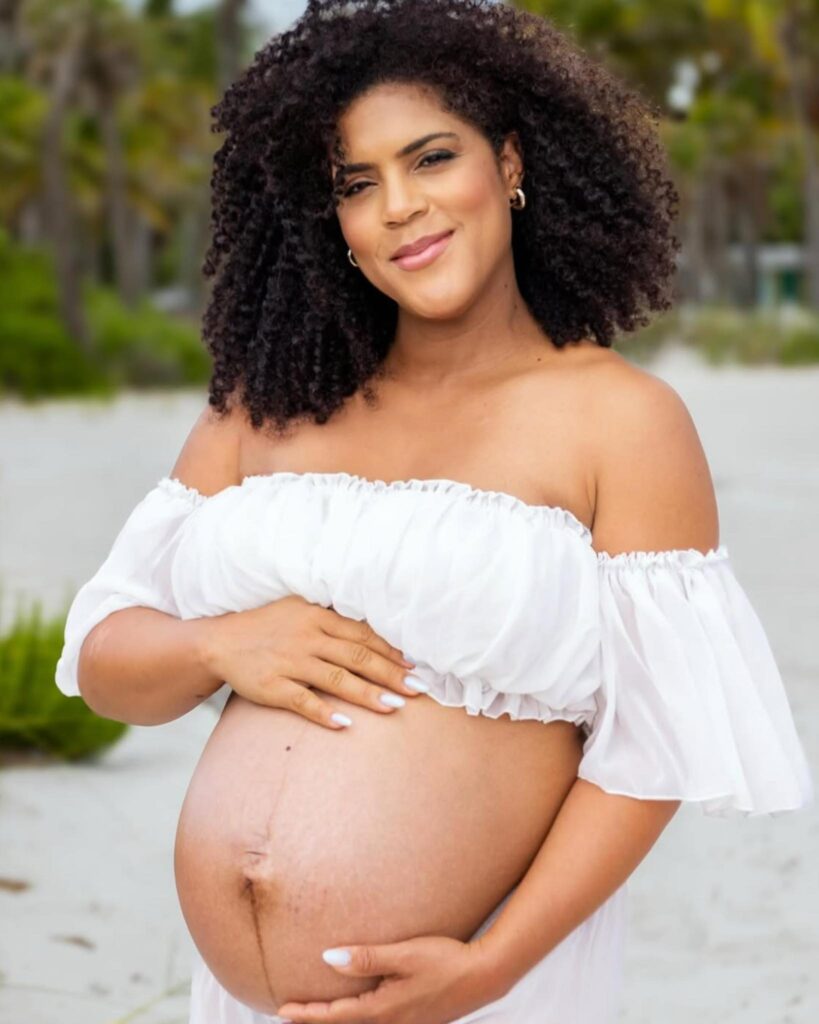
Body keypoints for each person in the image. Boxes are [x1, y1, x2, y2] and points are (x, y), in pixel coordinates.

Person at [54, 1, 814, 1022]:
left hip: (480, 995)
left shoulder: (622, 421)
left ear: (509, 163)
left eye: (432, 158)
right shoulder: (262, 404)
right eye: (357, 184)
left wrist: (492, 965)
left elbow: (657, 748)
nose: (400, 207)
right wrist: (220, 644)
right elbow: (106, 660)